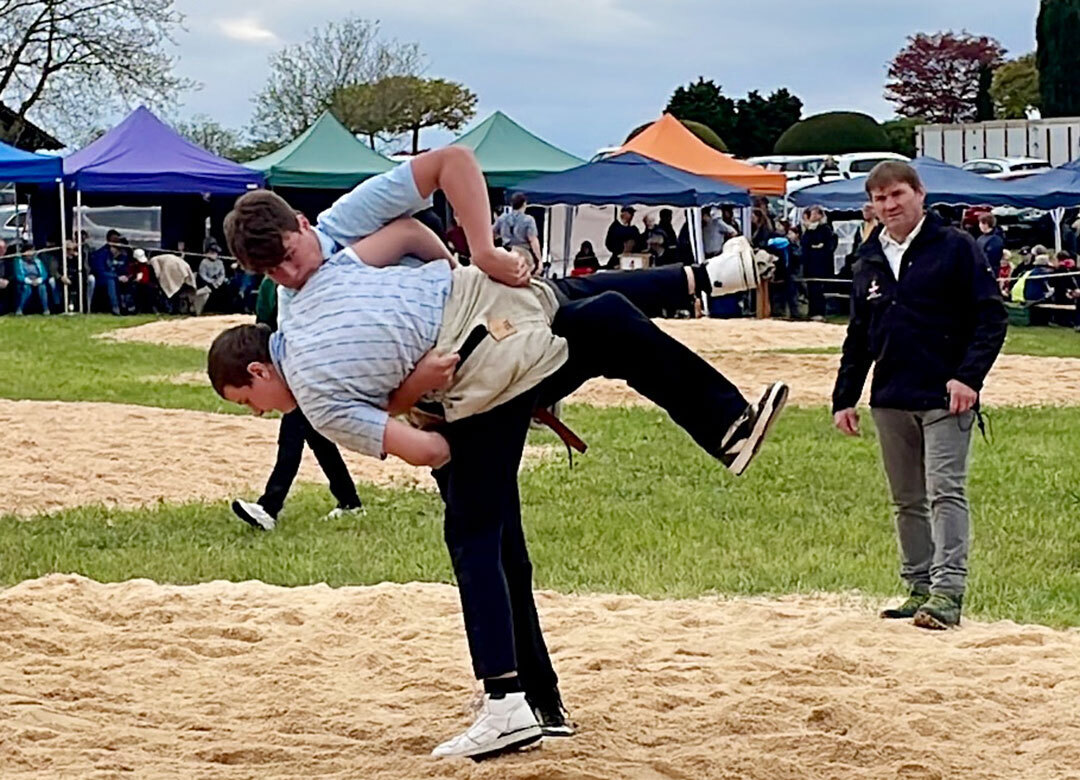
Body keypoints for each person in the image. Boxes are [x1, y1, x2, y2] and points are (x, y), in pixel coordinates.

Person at [216, 147, 788, 759]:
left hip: (476, 358)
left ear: (303, 225)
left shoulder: (336, 254)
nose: (288, 275)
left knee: (478, 535)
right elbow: (406, 244)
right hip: (469, 348)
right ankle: (536, 701)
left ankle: (507, 701)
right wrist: (426, 358)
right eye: (271, 273)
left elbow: (444, 173)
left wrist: (478, 259)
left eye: (289, 257)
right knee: (598, 320)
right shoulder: (306, 303)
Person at [832, 160, 1006, 630]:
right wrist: (844, 396)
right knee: (906, 499)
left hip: (945, 395)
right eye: (880, 198)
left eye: (898, 195)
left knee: (945, 492)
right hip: (890, 395)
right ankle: (919, 586)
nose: (890, 205)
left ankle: (948, 592)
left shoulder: (956, 247)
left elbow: (991, 318)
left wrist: (969, 378)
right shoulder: (868, 257)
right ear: (871, 206)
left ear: (920, 194)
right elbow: (859, 334)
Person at [229, 275, 365, 531]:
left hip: (307, 371)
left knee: (292, 440)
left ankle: (269, 507)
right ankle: (349, 500)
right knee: (317, 440)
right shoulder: (271, 287)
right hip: (287, 371)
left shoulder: (309, 279)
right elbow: (264, 331)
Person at [800, 205, 836, 321]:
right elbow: (804, 245)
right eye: (812, 213)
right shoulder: (807, 230)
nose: (814, 216)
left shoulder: (826, 229)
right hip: (809, 264)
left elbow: (829, 245)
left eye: (816, 213)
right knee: (811, 289)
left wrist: (818, 248)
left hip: (821, 264)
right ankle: (812, 312)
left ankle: (820, 312)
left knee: (820, 289)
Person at [493, 193, 542, 274]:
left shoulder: (502, 218)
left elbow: (492, 233)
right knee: (526, 272)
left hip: (506, 252)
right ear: (524, 204)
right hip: (522, 252)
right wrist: (539, 260)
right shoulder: (528, 220)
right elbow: (533, 240)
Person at [88, 230, 123, 315]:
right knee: (111, 281)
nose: (116, 242)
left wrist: (126, 276)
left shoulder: (123, 253)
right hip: (103, 279)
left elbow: (124, 267)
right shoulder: (101, 253)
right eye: (114, 239)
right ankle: (115, 308)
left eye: (117, 240)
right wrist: (116, 276)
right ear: (108, 240)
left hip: (118, 277)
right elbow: (100, 271)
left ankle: (130, 308)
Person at [13, 243, 49, 315]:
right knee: (26, 288)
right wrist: (30, 281)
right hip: (25, 281)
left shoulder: (38, 261)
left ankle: (46, 309)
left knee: (42, 287)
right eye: (29, 251)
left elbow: (44, 273)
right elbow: (18, 275)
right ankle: (19, 309)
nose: (31, 253)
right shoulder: (18, 261)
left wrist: (39, 280)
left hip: (37, 280)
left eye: (32, 251)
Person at [198, 242, 231, 313]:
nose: (214, 255)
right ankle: (209, 309)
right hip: (208, 281)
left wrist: (219, 282)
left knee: (226, 288)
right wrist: (211, 282)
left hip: (218, 281)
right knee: (209, 289)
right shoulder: (204, 262)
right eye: (212, 253)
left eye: (215, 253)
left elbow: (222, 274)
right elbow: (203, 275)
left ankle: (224, 309)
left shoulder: (220, 262)